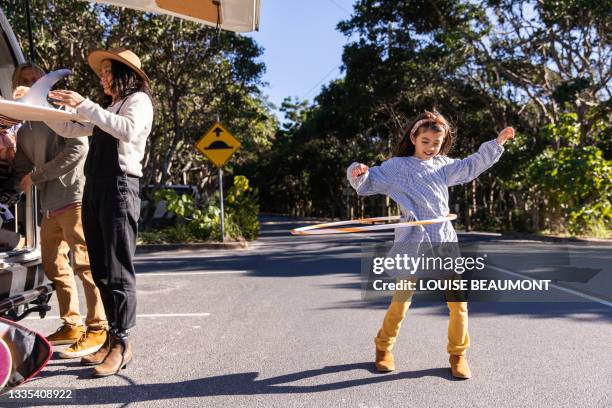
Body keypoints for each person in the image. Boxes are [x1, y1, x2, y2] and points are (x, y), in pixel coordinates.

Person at [347, 111, 515, 379]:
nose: (430, 148)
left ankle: (458, 354)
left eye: (436, 143)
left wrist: (497, 144)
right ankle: (383, 347)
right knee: (401, 302)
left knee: (458, 303)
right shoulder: (396, 167)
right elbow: (366, 183)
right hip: (413, 240)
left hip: (443, 239)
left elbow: (472, 165)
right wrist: (358, 170)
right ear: (413, 137)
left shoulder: (442, 165)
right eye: (425, 141)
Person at [45, 48, 154, 377]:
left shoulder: (138, 101)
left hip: (120, 187)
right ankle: (110, 338)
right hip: (96, 188)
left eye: (108, 71)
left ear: (126, 75)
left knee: (119, 270)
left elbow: (127, 130)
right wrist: (39, 105)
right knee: (101, 269)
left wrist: (85, 106)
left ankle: (121, 344)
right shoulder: (106, 108)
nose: (103, 77)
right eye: (101, 72)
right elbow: (68, 129)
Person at [11, 62, 108, 358]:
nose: (28, 84)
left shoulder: (58, 111)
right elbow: (23, 164)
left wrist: (36, 177)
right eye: (23, 80)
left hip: (74, 198)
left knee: (85, 265)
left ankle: (98, 328)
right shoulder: (25, 125)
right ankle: (71, 324)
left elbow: (79, 149)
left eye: (34, 80)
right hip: (51, 205)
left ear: (44, 83)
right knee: (53, 264)